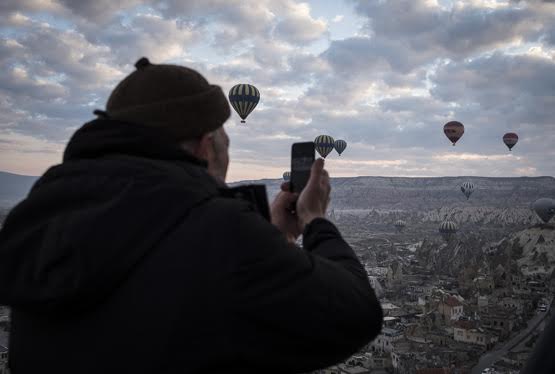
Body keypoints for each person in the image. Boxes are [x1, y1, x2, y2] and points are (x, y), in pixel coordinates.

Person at [0, 57, 383, 374]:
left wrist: (274, 237)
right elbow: (357, 314)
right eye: (224, 143)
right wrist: (315, 219)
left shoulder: (41, 218)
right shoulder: (219, 232)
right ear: (205, 146)